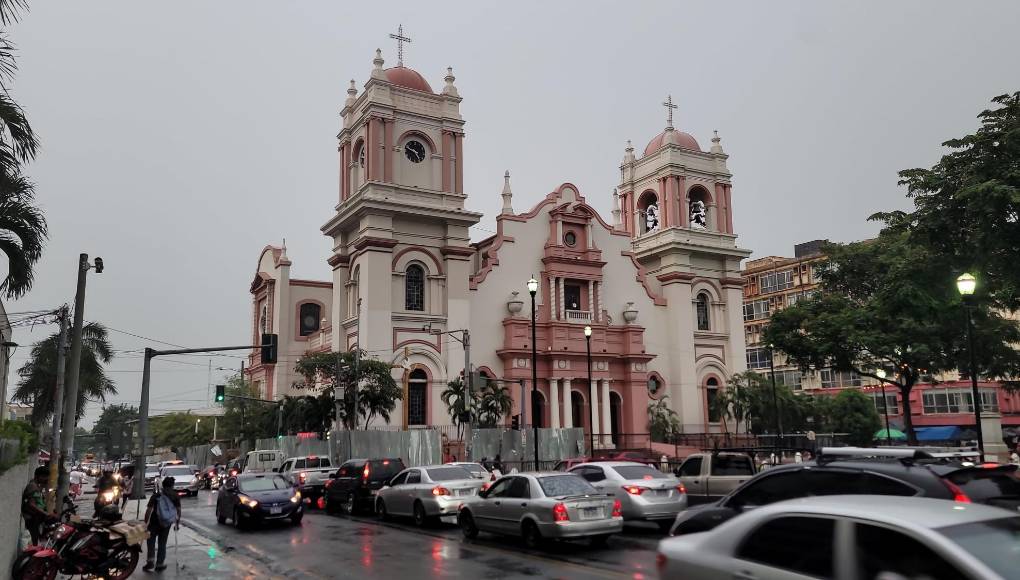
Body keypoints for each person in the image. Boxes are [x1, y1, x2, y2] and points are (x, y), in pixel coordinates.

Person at [143, 477, 181, 572]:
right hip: (166, 524)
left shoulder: (156, 496)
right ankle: (160, 564)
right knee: (162, 543)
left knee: (150, 541)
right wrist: (177, 523)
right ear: (172, 485)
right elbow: (178, 511)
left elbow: (149, 510)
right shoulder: (175, 496)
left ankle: (150, 561)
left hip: (154, 522)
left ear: (163, 485)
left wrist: (145, 522)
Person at [22, 466, 54, 545]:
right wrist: (45, 513)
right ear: (39, 476)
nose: (46, 479)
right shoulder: (32, 486)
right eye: (45, 477)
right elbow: (31, 504)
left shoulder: (37, 485)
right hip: (31, 518)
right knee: (34, 540)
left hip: (35, 517)